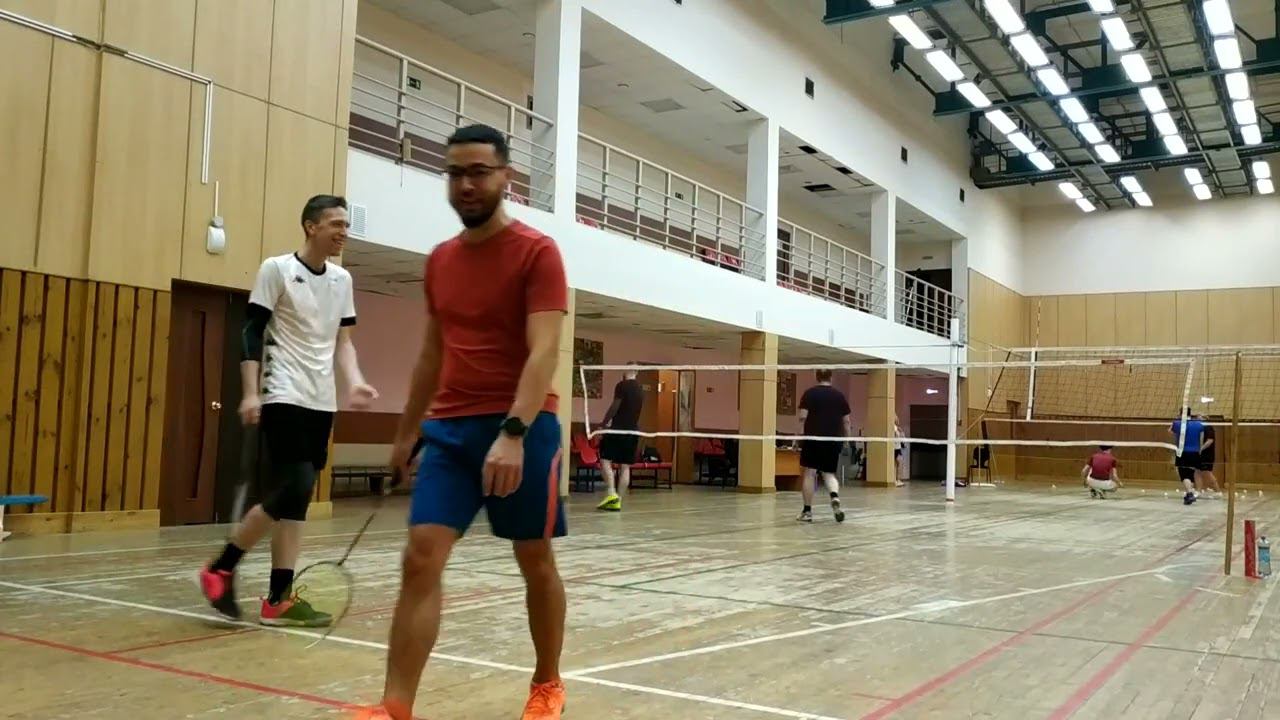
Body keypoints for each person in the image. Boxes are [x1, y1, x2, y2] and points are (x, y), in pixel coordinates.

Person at [358, 124, 570, 720]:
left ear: (506, 177)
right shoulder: (441, 261)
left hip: (523, 428)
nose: (466, 184)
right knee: (420, 557)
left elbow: (544, 351)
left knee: (534, 559)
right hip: (450, 431)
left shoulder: (538, 252)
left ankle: (547, 682)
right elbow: (432, 354)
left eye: (478, 172)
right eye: (455, 173)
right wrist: (406, 432)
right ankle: (395, 706)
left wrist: (513, 432)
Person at [199, 195, 378, 626]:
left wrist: (354, 380)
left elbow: (344, 343)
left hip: (321, 402)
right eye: (336, 224)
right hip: (282, 394)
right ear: (311, 226)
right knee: (291, 487)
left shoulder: (342, 280)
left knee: (297, 501)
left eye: (346, 225)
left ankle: (278, 599)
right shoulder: (276, 269)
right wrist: (250, 393)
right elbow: (251, 332)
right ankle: (220, 568)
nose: (343, 231)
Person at [796, 370, 851, 523]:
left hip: (813, 439)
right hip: (832, 440)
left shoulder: (809, 394)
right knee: (829, 473)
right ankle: (834, 496)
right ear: (831, 377)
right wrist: (847, 440)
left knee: (810, 473)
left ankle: (807, 512)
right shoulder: (839, 396)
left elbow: (802, 418)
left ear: (817, 377)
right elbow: (847, 421)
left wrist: (798, 437)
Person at [597, 364, 644, 511]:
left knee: (605, 460)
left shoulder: (622, 385)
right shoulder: (641, 389)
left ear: (625, 370)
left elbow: (615, 406)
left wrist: (603, 423)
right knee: (625, 466)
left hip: (618, 429)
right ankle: (619, 501)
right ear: (637, 372)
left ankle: (611, 493)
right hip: (633, 431)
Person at [1170, 408, 1204, 505]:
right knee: (1190, 475)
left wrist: (1177, 419)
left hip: (1183, 452)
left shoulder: (1177, 423)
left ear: (1181, 414)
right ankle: (1189, 494)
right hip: (1195, 452)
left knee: (1184, 475)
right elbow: (1201, 438)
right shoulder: (1198, 424)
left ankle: (1189, 493)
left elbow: (1170, 430)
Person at [1196, 414, 1223, 498]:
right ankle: (1198, 491)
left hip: (1207, 455)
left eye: (1199, 418)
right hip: (1199, 455)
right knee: (1197, 471)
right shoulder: (1200, 429)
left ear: (1205, 419)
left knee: (1207, 472)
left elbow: (1210, 440)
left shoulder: (1208, 427)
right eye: (1197, 418)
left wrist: (1201, 449)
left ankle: (1218, 491)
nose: (1197, 420)